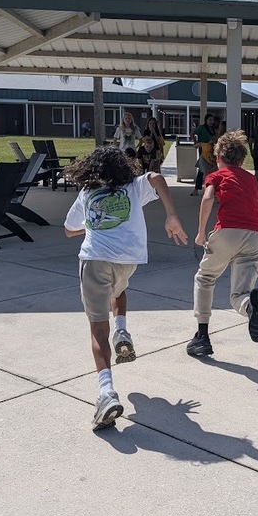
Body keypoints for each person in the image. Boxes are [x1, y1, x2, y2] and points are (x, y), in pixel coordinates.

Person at [63, 146, 189, 428]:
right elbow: (156, 177)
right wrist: (171, 214)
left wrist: (92, 224)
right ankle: (121, 330)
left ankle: (106, 392)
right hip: (128, 261)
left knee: (98, 329)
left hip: (95, 260)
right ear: (124, 167)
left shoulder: (87, 192)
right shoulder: (133, 187)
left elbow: (69, 230)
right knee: (118, 291)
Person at [187, 129, 258, 357]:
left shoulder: (217, 175)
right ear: (242, 160)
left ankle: (202, 336)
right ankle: (251, 306)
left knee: (205, 278)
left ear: (218, 157)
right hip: (255, 236)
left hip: (227, 231)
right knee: (240, 293)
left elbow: (207, 198)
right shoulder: (251, 179)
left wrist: (201, 233)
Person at [191, 113, 218, 195]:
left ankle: (211, 188)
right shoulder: (201, 128)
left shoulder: (214, 129)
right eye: (210, 120)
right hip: (203, 149)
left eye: (213, 120)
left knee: (212, 168)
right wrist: (195, 142)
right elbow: (192, 133)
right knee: (202, 168)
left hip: (212, 150)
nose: (211, 122)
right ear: (206, 120)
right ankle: (197, 188)